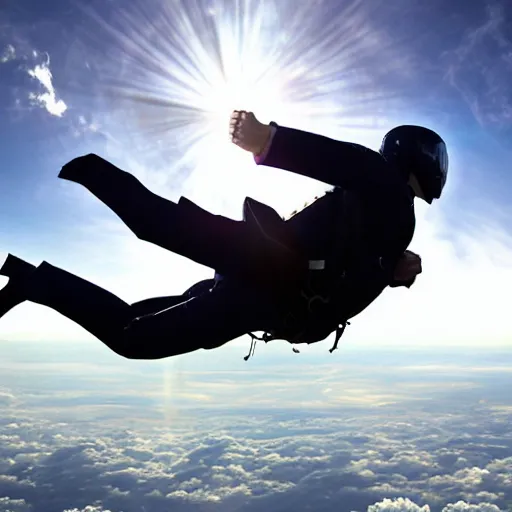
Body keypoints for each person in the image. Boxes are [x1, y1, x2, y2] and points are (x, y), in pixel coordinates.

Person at [0, 110, 447, 360]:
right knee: (133, 330)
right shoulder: (387, 189)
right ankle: (38, 273)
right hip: (264, 280)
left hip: (261, 281)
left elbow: (352, 257)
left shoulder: (386, 216)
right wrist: (268, 141)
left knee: (144, 281)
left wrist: (396, 266)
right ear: (417, 158)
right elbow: (344, 160)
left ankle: (31, 278)